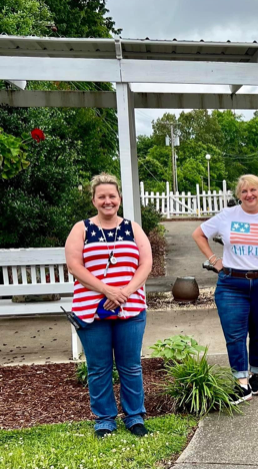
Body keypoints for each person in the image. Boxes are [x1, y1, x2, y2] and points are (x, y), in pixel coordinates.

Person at [192, 174, 258, 404]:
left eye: (254, 190)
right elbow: (199, 234)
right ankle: (241, 384)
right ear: (239, 195)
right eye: (244, 191)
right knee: (235, 333)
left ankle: (255, 376)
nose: (249, 194)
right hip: (232, 284)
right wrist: (215, 260)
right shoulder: (227, 216)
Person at [65, 173, 152, 438]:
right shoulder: (81, 229)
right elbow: (74, 266)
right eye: (101, 196)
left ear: (120, 199)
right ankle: (104, 419)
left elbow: (145, 263)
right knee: (99, 368)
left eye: (112, 196)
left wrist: (124, 292)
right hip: (92, 312)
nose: (107, 201)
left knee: (131, 366)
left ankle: (134, 416)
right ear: (94, 200)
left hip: (131, 309)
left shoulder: (132, 228)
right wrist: (106, 290)